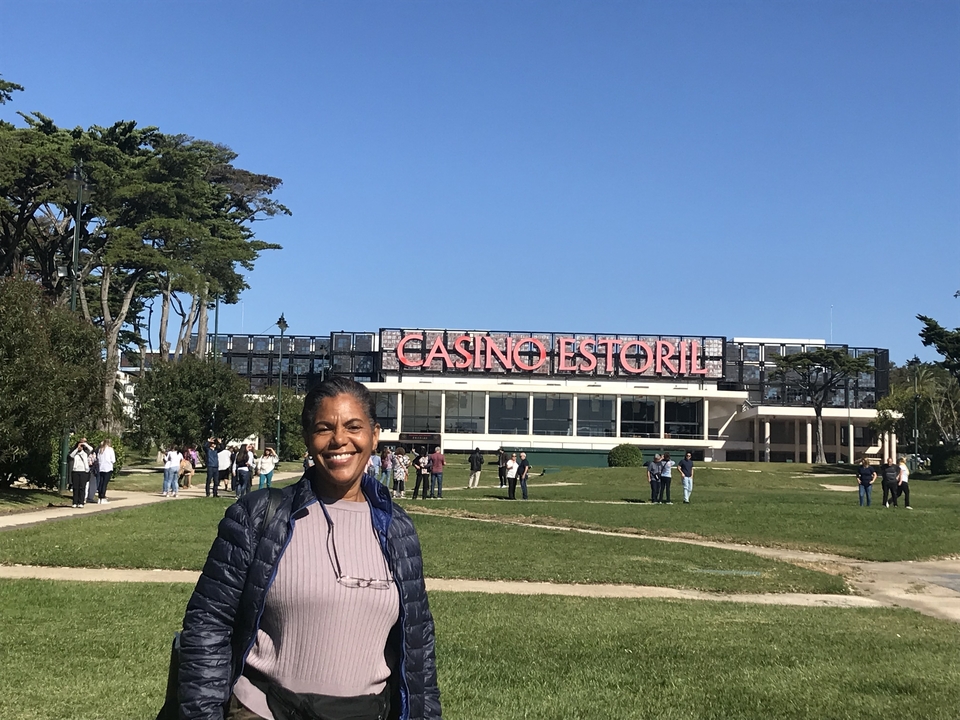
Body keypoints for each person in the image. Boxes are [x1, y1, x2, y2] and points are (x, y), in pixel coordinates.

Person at [178, 375, 442, 720]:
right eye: (324, 428)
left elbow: (418, 644)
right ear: (308, 438)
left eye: (353, 426)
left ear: (374, 436)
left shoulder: (398, 529)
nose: (339, 440)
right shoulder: (258, 516)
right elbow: (208, 625)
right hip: (265, 710)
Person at [68, 438, 93, 508]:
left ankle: (81, 502)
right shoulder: (75, 453)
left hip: (83, 471)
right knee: (75, 487)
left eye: (82, 446)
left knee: (82, 487)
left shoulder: (85, 453)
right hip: (75, 471)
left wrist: (84, 444)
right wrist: (77, 448)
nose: (80, 447)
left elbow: (91, 449)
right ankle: (75, 502)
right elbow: (71, 456)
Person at [96, 438, 116, 504]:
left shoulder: (100, 450)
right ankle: (103, 497)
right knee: (104, 483)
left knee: (101, 482)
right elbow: (113, 460)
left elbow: (98, 458)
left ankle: (99, 497)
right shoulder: (110, 449)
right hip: (108, 468)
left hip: (101, 468)